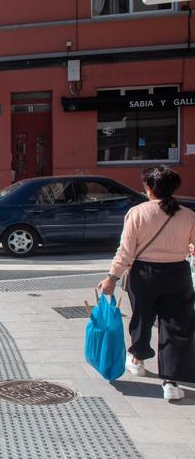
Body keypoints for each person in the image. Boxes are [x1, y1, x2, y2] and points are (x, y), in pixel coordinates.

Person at [97, 166, 195, 401]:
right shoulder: (188, 214)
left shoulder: (137, 213)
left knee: (142, 317)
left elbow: (126, 251)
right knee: (176, 326)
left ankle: (137, 359)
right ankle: (171, 381)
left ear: (149, 189)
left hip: (144, 274)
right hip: (178, 274)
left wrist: (112, 277)